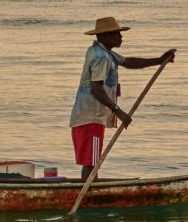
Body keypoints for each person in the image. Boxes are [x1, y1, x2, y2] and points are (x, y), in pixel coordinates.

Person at [70, 16, 176, 180]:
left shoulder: (106, 53)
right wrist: (118, 111)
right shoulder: (101, 57)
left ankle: (91, 191)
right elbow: (96, 89)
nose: (121, 37)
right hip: (90, 117)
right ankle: (89, 198)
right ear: (104, 36)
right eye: (116, 34)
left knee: (92, 161)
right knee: (91, 163)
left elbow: (129, 62)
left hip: (91, 116)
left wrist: (159, 60)